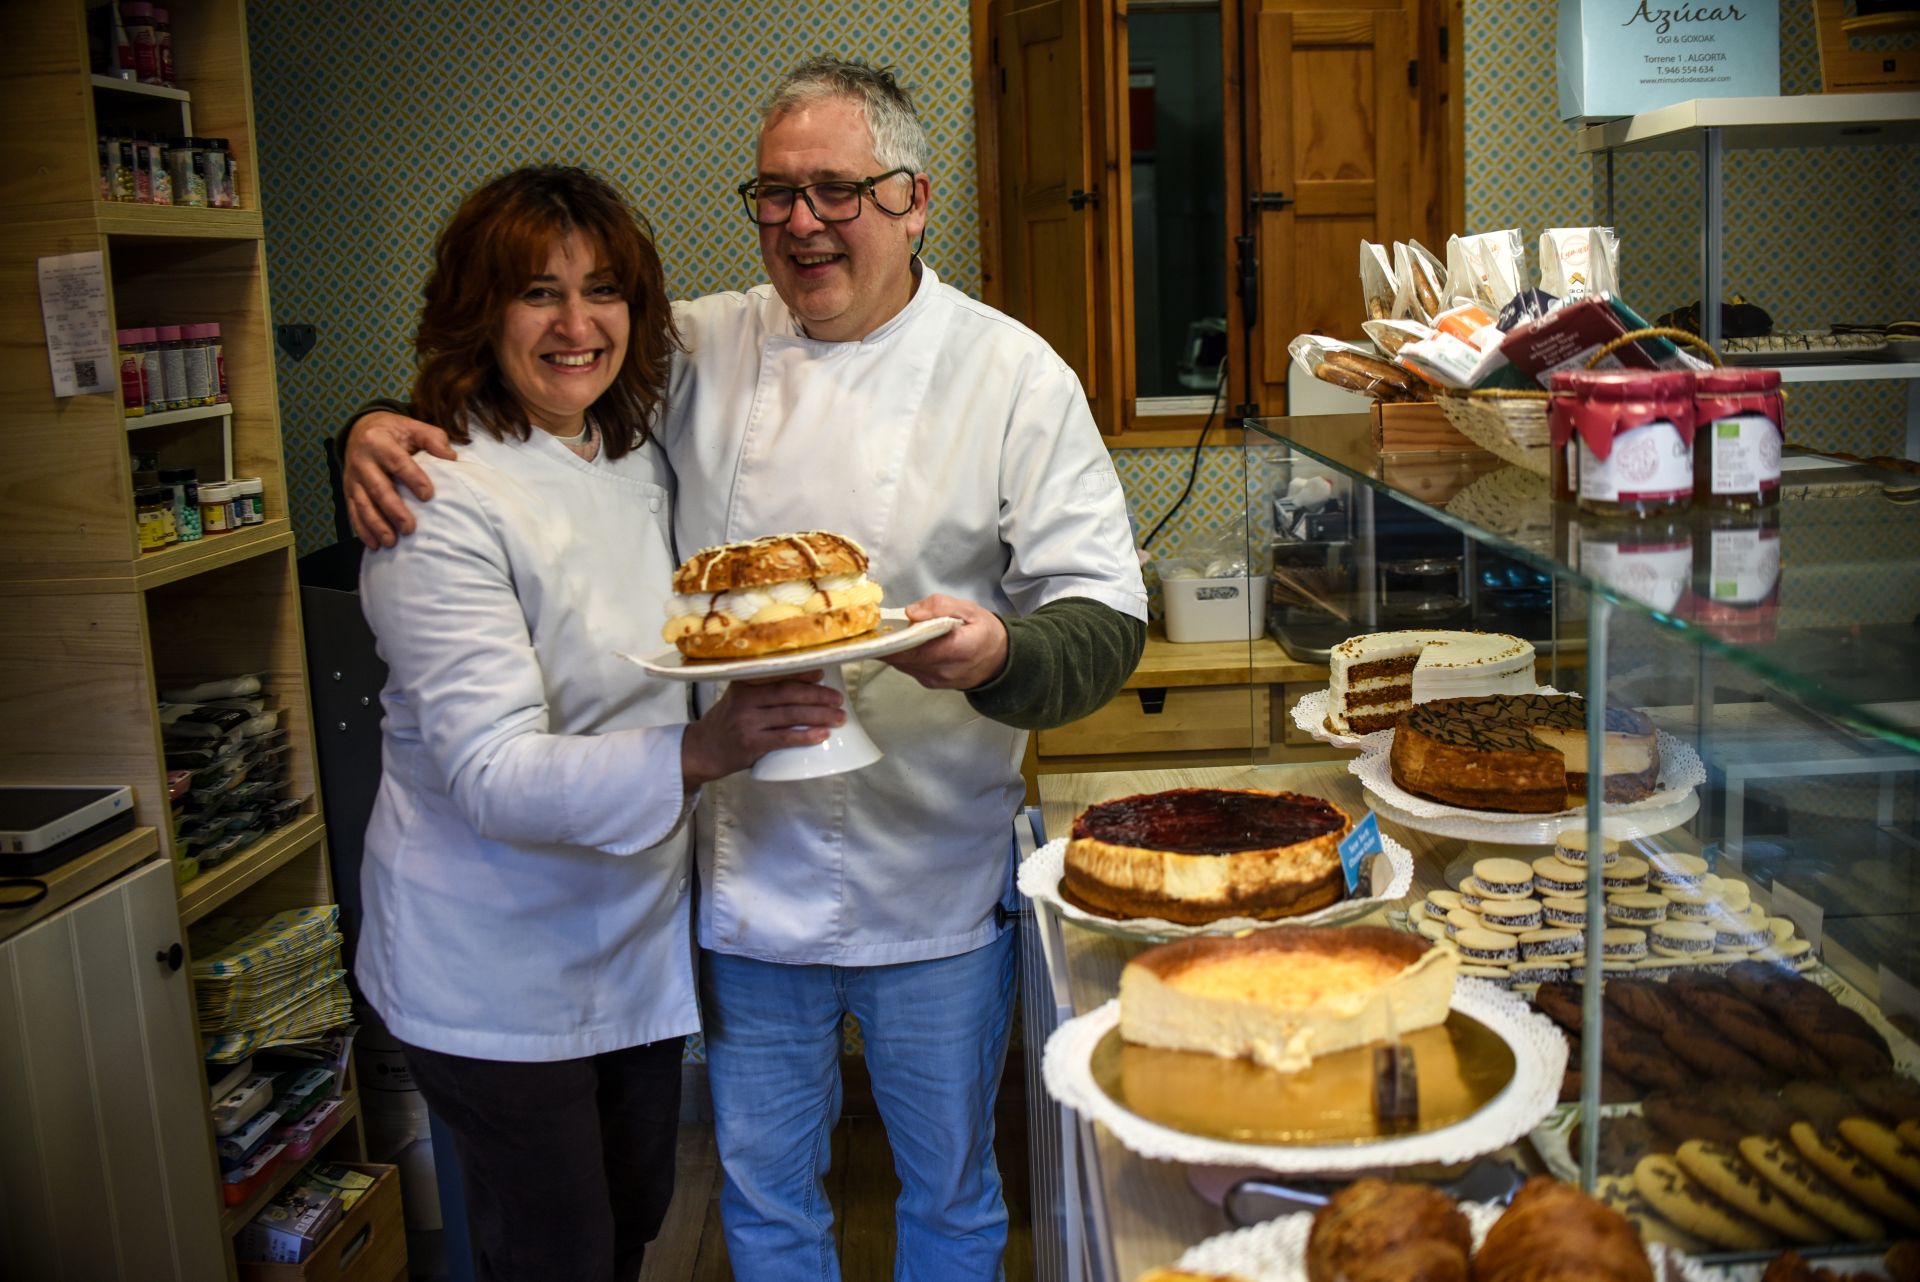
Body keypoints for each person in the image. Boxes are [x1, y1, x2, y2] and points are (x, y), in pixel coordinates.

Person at [344, 59, 1147, 1282]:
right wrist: (367, 424)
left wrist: (1002, 654)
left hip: (930, 869)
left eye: (838, 190)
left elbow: (1105, 615)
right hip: (738, 879)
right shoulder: (702, 344)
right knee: (765, 1197)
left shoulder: (1013, 373)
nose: (802, 223)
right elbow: (533, 387)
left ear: (915, 198)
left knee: (952, 1188)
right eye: (774, 195)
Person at [353, 164, 845, 1282]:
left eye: (604, 291)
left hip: (626, 934)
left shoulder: (625, 452)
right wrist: (705, 748)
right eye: (539, 293)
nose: (579, 326)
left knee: (630, 1218)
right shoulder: (437, 498)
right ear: (479, 310)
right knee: (558, 1253)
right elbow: (489, 773)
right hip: (489, 961)